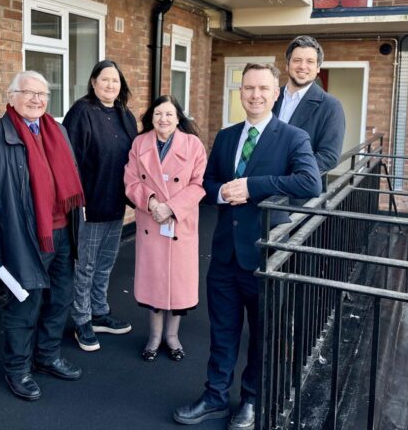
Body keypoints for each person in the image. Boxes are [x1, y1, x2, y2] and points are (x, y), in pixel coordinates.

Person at [174, 63, 321, 429]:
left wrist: (253, 186)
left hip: (264, 255)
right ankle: (215, 397)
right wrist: (221, 191)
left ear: (275, 94)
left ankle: (252, 401)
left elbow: (310, 182)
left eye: (262, 89)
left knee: (261, 335)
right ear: (240, 93)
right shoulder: (225, 136)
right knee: (222, 332)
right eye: (248, 88)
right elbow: (205, 184)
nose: (255, 95)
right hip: (223, 255)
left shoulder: (292, 137)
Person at [0, 70, 85, 401]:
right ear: (11, 97)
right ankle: (18, 369)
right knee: (25, 304)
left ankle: (47, 356)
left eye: (43, 94)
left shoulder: (58, 131)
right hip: (23, 239)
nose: (37, 100)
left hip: (62, 233)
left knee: (60, 298)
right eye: (29, 93)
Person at [124, 95, 207, 363]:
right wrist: (150, 202)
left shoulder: (193, 145)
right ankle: (154, 336)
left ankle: (173, 337)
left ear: (178, 117)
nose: (164, 119)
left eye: (169, 114)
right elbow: (130, 180)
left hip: (179, 223)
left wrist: (170, 207)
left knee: (178, 284)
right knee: (155, 282)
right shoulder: (140, 143)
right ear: (152, 116)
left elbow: (199, 183)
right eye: (159, 113)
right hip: (151, 221)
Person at [62, 60, 138, 352]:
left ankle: (99, 311)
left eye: (115, 81)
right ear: (93, 83)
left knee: (105, 262)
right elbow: (69, 160)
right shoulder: (82, 112)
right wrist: (76, 200)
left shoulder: (124, 115)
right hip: (89, 203)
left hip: (115, 201)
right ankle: (82, 319)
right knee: (86, 263)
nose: (110, 85)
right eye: (104, 79)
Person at [272, 35, 346, 177]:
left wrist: (284, 173)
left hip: (298, 192)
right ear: (287, 65)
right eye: (297, 60)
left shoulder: (331, 106)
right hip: (259, 187)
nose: (302, 66)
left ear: (318, 68)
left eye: (310, 61)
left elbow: (328, 157)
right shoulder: (271, 97)